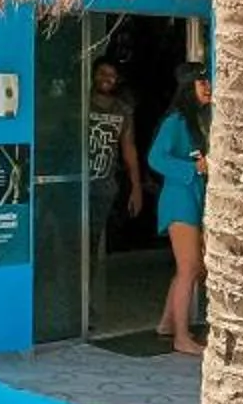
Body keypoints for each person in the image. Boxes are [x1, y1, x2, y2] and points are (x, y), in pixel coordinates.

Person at [147, 65, 211, 354]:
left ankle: (166, 325)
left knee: (189, 268)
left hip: (193, 196)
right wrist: (192, 168)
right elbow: (155, 158)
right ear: (188, 87)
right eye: (201, 82)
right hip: (178, 197)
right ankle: (182, 338)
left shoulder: (198, 119)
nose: (208, 86)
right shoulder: (175, 121)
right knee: (190, 268)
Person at [84, 54, 145, 263]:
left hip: (103, 186)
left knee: (91, 242)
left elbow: (129, 149)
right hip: (75, 184)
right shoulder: (80, 104)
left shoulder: (122, 110)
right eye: (102, 73)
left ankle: (87, 289)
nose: (106, 78)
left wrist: (136, 188)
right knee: (70, 241)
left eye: (112, 75)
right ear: (92, 75)